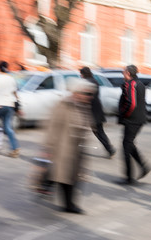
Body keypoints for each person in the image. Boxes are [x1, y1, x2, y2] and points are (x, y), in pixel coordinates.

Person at [43, 78, 96, 214]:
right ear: (76, 93)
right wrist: (48, 147)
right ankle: (68, 204)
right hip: (63, 148)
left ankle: (50, 187)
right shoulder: (64, 105)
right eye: (86, 94)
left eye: (90, 94)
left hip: (77, 148)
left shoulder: (84, 106)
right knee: (65, 177)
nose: (89, 97)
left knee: (73, 177)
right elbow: (52, 126)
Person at [118, 65, 151, 184]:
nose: (122, 74)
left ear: (128, 73)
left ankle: (129, 177)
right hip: (138, 119)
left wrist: (124, 114)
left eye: (123, 72)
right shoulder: (139, 83)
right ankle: (143, 166)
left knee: (126, 146)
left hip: (132, 120)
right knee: (129, 144)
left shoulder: (130, 84)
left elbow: (131, 104)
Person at [80, 67, 116, 158]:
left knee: (86, 131)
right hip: (97, 110)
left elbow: (86, 98)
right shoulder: (94, 81)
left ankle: (110, 149)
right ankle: (110, 149)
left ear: (84, 74)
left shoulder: (87, 83)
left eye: (81, 74)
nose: (80, 75)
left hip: (91, 112)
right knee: (100, 132)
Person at [0, 61, 20, 158]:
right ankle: (15, 148)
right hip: (9, 105)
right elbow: (15, 92)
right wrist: (18, 103)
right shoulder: (11, 78)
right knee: (8, 128)